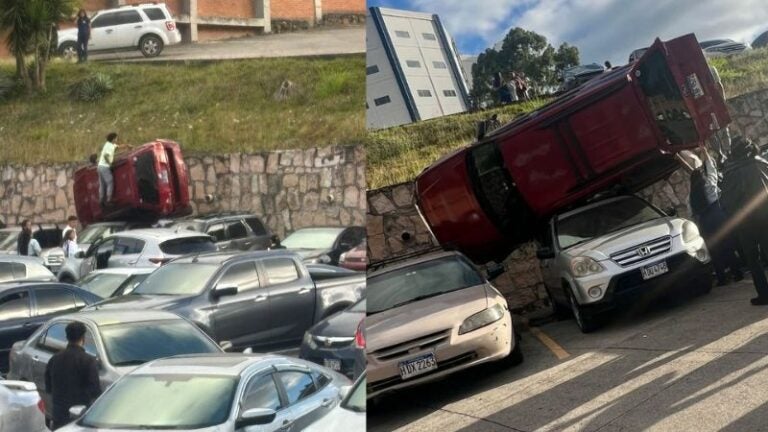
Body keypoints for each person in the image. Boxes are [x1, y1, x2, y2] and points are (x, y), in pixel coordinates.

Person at [682, 148, 743, 286]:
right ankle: (737, 273)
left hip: (704, 223)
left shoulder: (690, 198)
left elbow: (691, 215)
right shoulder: (709, 185)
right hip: (718, 217)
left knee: (714, 251)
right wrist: (705, 152)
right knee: (728, 245)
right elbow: (712, 170)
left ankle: (722, 278)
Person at [720, 136, 768, 305]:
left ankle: (764, 294)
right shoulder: (761, 163)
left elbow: (724, 202)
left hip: (745, 224)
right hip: (765, 217)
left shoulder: (730, 172)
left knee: (753, 260)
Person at [45, 321, 101, 430]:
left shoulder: (54, 359)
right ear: (83, 338)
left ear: (66, 337)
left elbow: (48, 387)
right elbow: (95, 390)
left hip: (59, 417)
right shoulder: (88, 361)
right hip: (80, 417)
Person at [98, 132, 119, 207]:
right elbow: (106, 155)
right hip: (104, 166)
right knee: (110, 181)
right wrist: (110, 163)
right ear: (113, 139)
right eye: (116, 138)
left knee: (102, 184)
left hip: (100, 166)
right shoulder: (110, 146)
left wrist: (126, 146)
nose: (117, 139)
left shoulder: (108, 144)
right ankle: (109, 199)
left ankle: (101, 200)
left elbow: (117, 147)